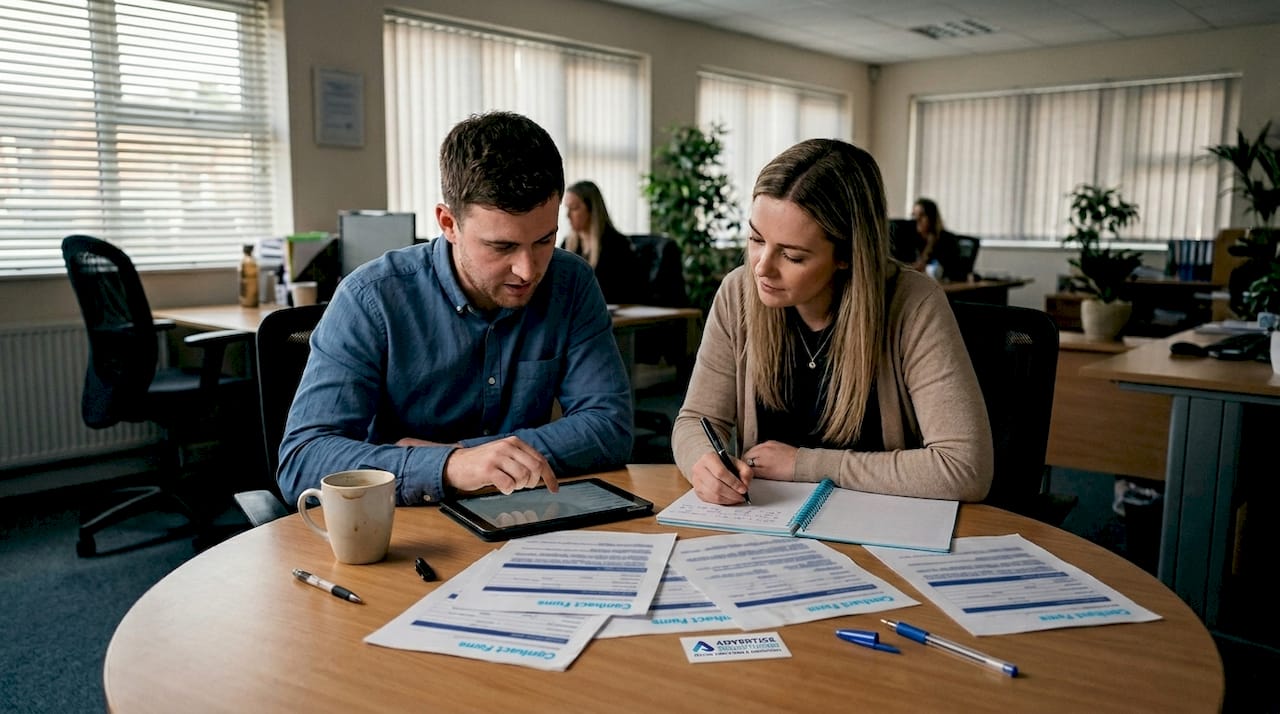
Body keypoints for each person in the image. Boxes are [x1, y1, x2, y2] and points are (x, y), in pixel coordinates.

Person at [278, 111, 633, 506]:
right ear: (448, 223)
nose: (528, 270)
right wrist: (450, 468)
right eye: (502, 247)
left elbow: (609, 427)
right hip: (404, 532)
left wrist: (461, 456)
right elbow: (302, 460)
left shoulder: (571, 282)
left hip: (522, 518)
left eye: (544, 240)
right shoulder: (370, 298)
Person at [672, 139, 993, 505]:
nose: (761, 267)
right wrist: (702, 461)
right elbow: (695, 420)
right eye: (756, 239)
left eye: (792, 255)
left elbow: (964, 468)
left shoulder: (913, 304)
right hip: (765, 526)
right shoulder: (737, 294)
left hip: (882, 527)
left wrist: (805, 465)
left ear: (846, 256)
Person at [561, 180, 642, 304]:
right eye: (567, 208)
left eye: (574, 208)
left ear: (591, 210)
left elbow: (624, 292)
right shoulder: (567, 244)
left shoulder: (616, 245)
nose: (567, 215)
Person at [909, 198, 962, 279]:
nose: (917, 219)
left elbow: (954, 271)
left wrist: (925, 268)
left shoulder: (947, 240)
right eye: (914, 215)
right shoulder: (912, 238)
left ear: (932, 218)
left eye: (922, 215)